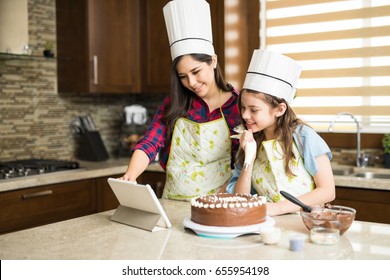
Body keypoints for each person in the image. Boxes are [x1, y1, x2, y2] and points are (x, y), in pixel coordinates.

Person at [119, 0, 240, 200]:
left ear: (213, 61)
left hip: (218, 203)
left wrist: (220, 197)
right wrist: (130, 176)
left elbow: (240, 163)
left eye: (196, 71)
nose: (191, 82)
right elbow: (150, 143)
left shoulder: (236, 107)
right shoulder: (174, 104)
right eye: (182, 76)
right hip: (173, 200)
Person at [226, 49, 335, 216]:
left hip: (305, 223)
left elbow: (328, 191)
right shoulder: (249, 141)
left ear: (279, 109)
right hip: (267, 226)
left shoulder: (304, 137)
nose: (245, 115)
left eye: (254, 110)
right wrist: (249, 158)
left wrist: (277, 208)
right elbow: (241, 199)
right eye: (243, 107)